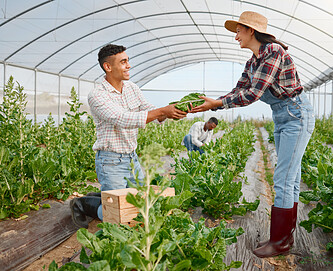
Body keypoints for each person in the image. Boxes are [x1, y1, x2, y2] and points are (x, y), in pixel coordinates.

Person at [191, 11, 315, 258]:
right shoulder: (252, 62)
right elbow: (239, 89)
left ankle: (280, 241)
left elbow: (253, 94)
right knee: (289, 179)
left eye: (238, 30)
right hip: (282, 115)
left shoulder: (274, 53)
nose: (235, 35)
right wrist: (214, 103)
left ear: (250, 30)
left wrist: (215, 104)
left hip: (296, 115)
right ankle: (284, 239)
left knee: (283, 179)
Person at [70, 44, 188, 228]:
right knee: (118, 216)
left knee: (139, 206)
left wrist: (173, 110)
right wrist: (162, 111)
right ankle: (83, 204)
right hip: (110, 160)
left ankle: (101, 196)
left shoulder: (132, 88)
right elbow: (123, 118)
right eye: (123, 62)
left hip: (132, 158)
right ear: (108, 67)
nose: (128, 65)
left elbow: (149, 110)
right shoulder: (98, 95)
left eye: (128, 60)